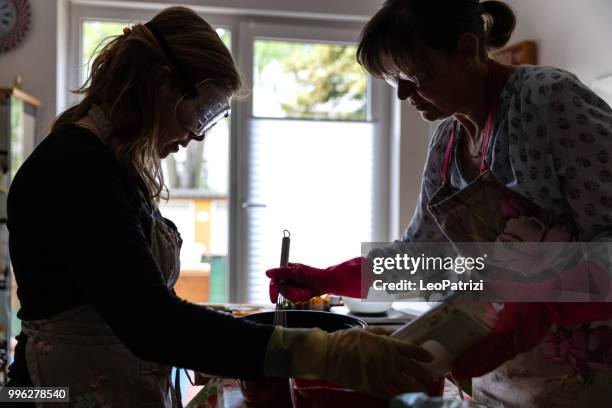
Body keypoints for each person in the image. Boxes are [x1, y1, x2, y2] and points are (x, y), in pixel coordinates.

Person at [4, 6, 435, 407]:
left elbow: (443, 263)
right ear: (161, 82)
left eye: (413, 74)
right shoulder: (79, 169)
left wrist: (327, 280)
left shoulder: (111, 162)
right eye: (205, 111)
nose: (403, 96)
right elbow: (148, 319)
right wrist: (321, 351)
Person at [267, 0, 612, 406]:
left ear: (466, 50)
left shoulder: (549, 101)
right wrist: (328, 278)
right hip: (496, 381)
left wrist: (542, 306)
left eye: (414, 74)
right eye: (395, 79)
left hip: (591, 376)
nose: (402, 94)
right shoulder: (447, 140)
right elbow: (422, 258)